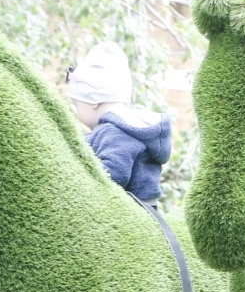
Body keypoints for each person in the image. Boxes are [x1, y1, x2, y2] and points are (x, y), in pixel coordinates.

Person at [66, 42, 173, 203]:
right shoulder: (122, 128)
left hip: (137, 210)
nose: (77, 112)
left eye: (77, 105)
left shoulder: (115, 132)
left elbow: (115, 173)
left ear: (93, 100)